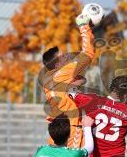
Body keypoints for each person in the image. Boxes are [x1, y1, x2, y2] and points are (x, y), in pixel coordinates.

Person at [38, 13, 94, 148]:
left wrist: (76, 81)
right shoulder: (62, 72)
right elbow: (88, 53)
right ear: (57, 65)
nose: (66, 57)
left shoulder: (47, 80)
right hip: (70, 127)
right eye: (62, 57)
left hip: (56, 130)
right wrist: (83, 26)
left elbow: (79, 80)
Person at [70, 76, 127, 157]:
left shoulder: (92, 100)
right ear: (126, 94)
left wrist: (82, 80)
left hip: (94, 154)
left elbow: (71, 91)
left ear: (112, 88)